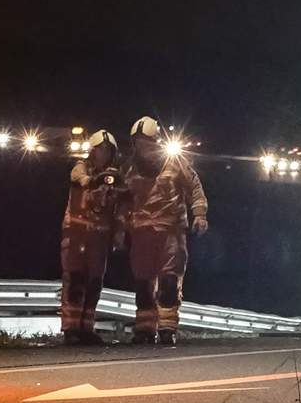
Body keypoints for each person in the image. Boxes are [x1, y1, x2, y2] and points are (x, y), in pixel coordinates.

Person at [119, 116, 208, 346]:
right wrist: (120, 229)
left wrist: (199, 214)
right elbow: (122, 201)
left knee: (169, 281)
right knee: (143, 284)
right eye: (138, 142)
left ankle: (168, 328)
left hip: (171, 232)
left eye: (147, 142)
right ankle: (144, 329)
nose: (143, 147)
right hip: (141, 234)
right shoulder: (128, 168)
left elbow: (194, 186)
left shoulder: (174, 162)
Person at [59, 130, 122, 345]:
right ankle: (70, 329)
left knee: (94, 282)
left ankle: (86, 327)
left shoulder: (114, 176)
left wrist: (118, 235)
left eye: (108, 151)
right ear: (93, 152)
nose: (104, 154)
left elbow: (119, 208)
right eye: (100, 150)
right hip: (76, 236)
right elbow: (77, 177)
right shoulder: (81, 168)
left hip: (99, 240)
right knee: (75, 280)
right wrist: (92, 180)